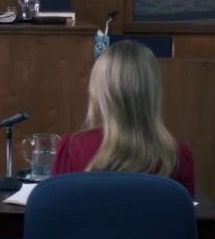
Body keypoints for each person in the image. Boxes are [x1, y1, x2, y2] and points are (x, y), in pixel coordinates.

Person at [51, 40, 195, 196]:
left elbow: (57, 208)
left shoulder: (71, 149)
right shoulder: (177, 156)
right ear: (153, 91)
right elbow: (184, 210)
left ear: (98, 92)